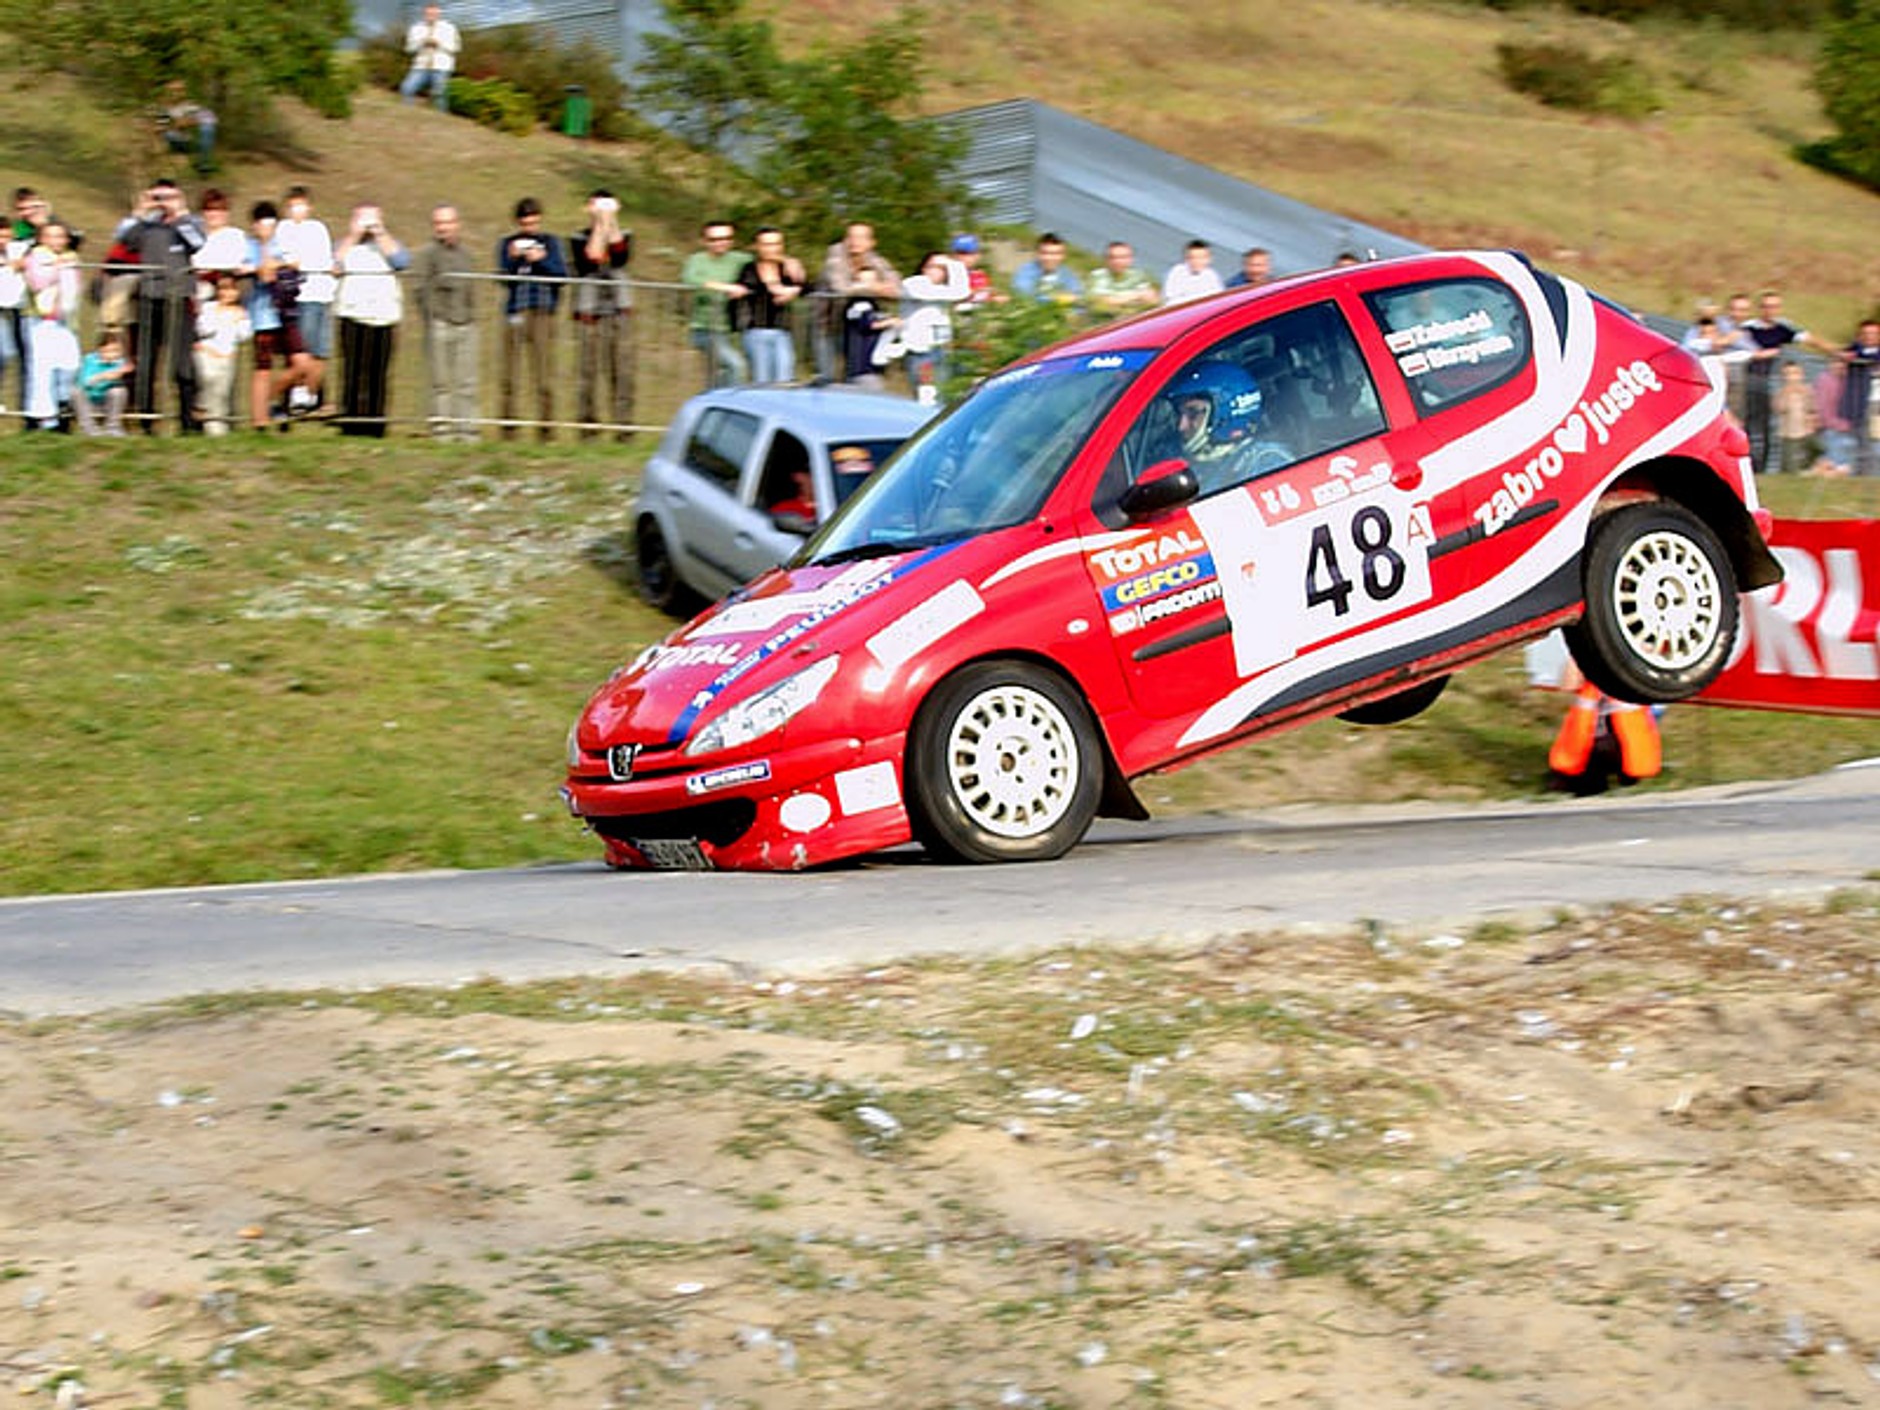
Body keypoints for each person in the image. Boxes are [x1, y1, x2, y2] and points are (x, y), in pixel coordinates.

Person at [123, 179, 205, 433]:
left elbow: (198, 243)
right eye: (159, 196)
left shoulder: (189, 223)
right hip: (150, 296)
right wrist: (141, 212)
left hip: (179, 298)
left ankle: (188, 421)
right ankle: (147, 421)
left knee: (182, 363)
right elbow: (128, 241)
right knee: (147, 361)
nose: (163, 202)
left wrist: (178, 214)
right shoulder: (146, 226)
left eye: (168, 196)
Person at [333, 203, 408, 438]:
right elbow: (334, 263)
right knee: (353, 372)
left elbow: (401, 261)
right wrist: (354, 235)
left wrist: (380, 232)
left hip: (384, 317)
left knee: (379, 373)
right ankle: (351, 423)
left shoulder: (388, 244)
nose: (367, 225)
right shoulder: (346, 245)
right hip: (353, 315)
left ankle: (376, 425)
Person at [1741, 291, 1836, 475]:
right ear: (1761, 309)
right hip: (1749, 382)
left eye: (1774, 307)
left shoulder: (1783, 328)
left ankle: (1761, 470)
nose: (1770, 311)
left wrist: (1836, 351)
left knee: (1769, 428)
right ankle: (1748, 467)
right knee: (1750, 426)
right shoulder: (1749, 328)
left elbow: (1808, 339)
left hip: (1770, 383)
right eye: (1766, 306)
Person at [1160, 361, 1289, 494]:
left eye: (1193, 413)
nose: (1181, 426)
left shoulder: (1264, 464)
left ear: (1224, 414)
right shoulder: (1186, 461)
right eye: (1179, 414)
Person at [497, 196, 565, 440]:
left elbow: (561, 274)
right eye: (525, 224)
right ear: (518, 223)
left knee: (544, 374)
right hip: (516, 309)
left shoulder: (551, 243)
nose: (530, 229)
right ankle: (508, 430)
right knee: (509, 374)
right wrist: (514, 258)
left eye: (534, 223)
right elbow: (503, 277)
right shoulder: (506, 243)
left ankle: (546, 430)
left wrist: (542, 259)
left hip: (542, 310)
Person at [410, 203, 478, 441]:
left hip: (466, 323)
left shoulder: (467, 255)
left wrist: (470, 314)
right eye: (439, 223)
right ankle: (441, 431)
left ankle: (467, 431)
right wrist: (434, 315)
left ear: (456, 224)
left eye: (448, 222)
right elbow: (418, 289)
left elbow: (470, 288)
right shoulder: (426, 254)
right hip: (439, 323)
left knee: (466, 381)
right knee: (440, 382)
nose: (443, 228)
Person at [245, 200, 314, 433]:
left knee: (302, 364)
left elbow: (295, 264)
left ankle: (270, 401)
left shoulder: (283, 243)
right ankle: (260, 421)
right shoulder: (250, 246)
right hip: (263, 315)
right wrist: (265, 249)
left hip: (286, 314)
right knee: (262, 367)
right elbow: (264, 275)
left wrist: (278, 264)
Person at [570, 190, 634, 436]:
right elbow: (591, 258)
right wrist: (600, 224)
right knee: (588, 370)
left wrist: (611, 221)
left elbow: (620, 256)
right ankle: (588, 425)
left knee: (621, 368)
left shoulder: (626, 235)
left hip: (618, 310)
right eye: (598, 205)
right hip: (589, 312)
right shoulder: (578, 237)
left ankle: (623, 425)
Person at [276, 188, 335, 415]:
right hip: (302, 296)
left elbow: (325, 258)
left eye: (302, 205)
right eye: (293, 205)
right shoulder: (284, 229)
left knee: (321, 351)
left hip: (323, 294)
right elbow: (291, 260)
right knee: (304, 350)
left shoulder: (318, 228)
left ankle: (312, 397)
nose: (299, 210)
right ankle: (294, 396)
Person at [816, 222, 900, 378]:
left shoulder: (876, 260)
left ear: (871, 242)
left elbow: (896, 287)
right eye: (851, 237)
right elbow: (840, 287)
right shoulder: (835, 257)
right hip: (830, 328)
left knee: (860, 376)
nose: (855, 241)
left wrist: (871, 287)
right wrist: (874, 287)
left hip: (861, 331)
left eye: (861, 237)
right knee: (827, 378)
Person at [22, 221, 81, 429]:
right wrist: (56, 269)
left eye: (60, 236)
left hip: (66, 321)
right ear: (42, 238)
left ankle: (62, 406)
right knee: (42, 369)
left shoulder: (71, 259)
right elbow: (37, 283)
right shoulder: (36, 258)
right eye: (51, 236)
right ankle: (44, 418)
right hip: (42, 320)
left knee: (69, 365)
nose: (56, 241)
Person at [892, 249, 969, 402]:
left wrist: (950, 265)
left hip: (941, 350)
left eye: (942, 268)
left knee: (942, 398)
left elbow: (962, 291)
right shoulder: (913, 284)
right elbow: (960, 292)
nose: (938, 271)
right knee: (927, 400)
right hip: (921, 352)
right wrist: (954, 264)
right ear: (924, 268)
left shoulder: (943, 289)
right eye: (934, 266)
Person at [681, 219, 750, 391]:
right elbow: (690, 279)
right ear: (705, 241)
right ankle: (730, 407)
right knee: (735, 365)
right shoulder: (697, 260)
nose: (721, 243)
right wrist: (724, 287)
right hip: (704, 328)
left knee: (721, 375)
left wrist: (788, 262)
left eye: (726, 238)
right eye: (715, 239)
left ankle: (712, 405)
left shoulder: (740, 259)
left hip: (730, 329)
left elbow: (765, 263)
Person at [732, 226, 806, 385]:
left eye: (776, 244)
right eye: (766, 244)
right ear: (757, 247)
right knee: (762, 381)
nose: (772, 249)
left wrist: (794, 288)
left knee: (785, 379)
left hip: (782, 331)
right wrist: (776, 288)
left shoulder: (786, 269)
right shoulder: (749, 269)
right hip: (756, 330)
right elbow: (750, 287)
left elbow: (808, 287)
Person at [192, 272, 251, 436]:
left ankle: (217, 426)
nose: (227, 293)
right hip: (207, 352)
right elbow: (203, 329)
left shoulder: (241, 312)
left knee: (221, 391)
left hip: (227, 355)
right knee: (207, 380)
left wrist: (239, 319)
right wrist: (220, 317)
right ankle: (202, 409)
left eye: (231, 289)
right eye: (223, 289)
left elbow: (244, 335)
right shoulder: (209, 308)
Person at [400, 2, 461, 111]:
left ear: (439, 14)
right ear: (424, 14)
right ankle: (408, 113)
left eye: (434, 14)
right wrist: (421, 42)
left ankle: (441, 118)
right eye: (428, 14)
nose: (431, 16)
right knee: (407, 88)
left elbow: (456, 48)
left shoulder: (449, 28)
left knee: (439, 94)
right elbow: (409, 49)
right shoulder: (416, 28)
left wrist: (439, 44)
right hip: (421, 66)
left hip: (441, 67)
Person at [1839, 318, 1880, 477]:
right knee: (1863, 442)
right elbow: (1843, 356)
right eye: (1866, 334)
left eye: (1873, 334)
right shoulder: (1853, 352)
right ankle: (1865, 474)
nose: (1870, 337)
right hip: (1861, 404)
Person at [842, 265, 896, 388]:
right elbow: (866, 325)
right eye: (864, 281)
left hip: (873, 367)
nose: (868, 285)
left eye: (872, 281)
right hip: (861, 367)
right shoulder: (858, 303)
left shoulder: (874, 303)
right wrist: (890, 322)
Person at [75, 329, 131, 436]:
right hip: (89, 400)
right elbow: (84, 382)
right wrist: (101, 377)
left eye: (116, 351)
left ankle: (113, 427)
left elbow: (116, 381)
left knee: (119, 391)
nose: (112, 355)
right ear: (100, 350)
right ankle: (89, 428)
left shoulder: (119, 363)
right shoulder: (90, 360)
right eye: (108, 351)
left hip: (106, 401)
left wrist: (118, 375)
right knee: (76, 391)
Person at [1086, 241, 1158, 320]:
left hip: (1133, 321)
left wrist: (1119, 300)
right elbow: (1101, 303)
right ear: (1106, 259)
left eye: (1123, 257)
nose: (1118, 261)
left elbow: (1152, 300)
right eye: (1113, 257)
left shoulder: (1139, 275)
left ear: (1131, 259)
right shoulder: (1098, 276)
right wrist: (1136, 296)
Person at [159, 81, 217, 174]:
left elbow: (210, 118)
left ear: (183, 92)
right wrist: (174, 126)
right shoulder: (164, 108)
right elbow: (161, 127)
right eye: (173, 91)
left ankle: (203, 163)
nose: (176, 94)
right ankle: (177, 156)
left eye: (179, 91)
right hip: (172, 138)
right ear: (168, 93)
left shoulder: (190, 106)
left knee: (208, 128)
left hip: (187, 140)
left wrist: (190, 122)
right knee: (168, 135)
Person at [1011, 232, 1082, 306]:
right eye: (1045, 253)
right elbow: (1025, 297)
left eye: (1056, 254)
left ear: (1063, 256)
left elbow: (1078, 295)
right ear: (1037, 254)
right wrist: (1060, 299)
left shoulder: (1066, 274)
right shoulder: (1025, 273)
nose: (1050, 258)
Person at [1772, 361, 1817, 478]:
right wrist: (1786, 394)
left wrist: (1812, 423)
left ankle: (1805, 467)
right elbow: (1779, 409)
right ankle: (1788, 472)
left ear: (1802, 375)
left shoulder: (1807, 390)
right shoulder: (1781, 392)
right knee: (1789, 463)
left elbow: (1812, 408)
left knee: (1816, 449)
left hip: (1806, 430)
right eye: (1788, 374)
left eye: (1795, 373)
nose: (1792, 378)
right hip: (1789, 433)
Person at [1162, 239, 1224, 305]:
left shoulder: (1212, 276)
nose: (1197, 261)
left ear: (1209, 259)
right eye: (1192, 257)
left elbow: (1218, 300)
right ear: (1186, 258)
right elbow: (1170, 299)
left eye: (1201, 258)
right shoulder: (1177, 272)